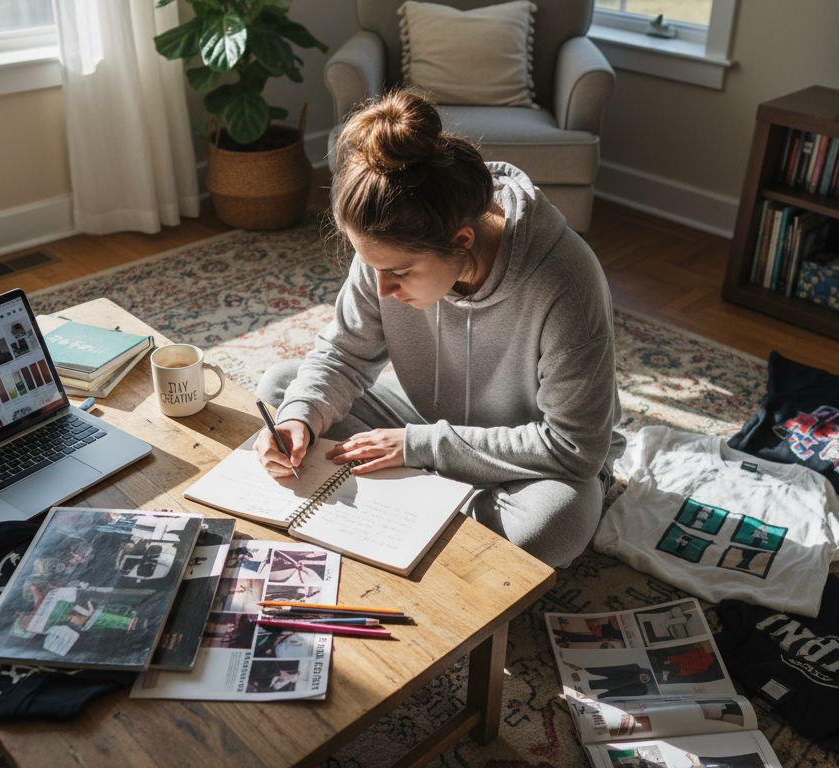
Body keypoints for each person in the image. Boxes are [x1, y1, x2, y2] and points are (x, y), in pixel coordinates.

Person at [253, 89, 624, 568]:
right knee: (283, 387)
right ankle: (436, 505)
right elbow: (343, 354)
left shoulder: (565, 280)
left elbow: (575, 447)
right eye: (372, 267)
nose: (383, 288)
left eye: (400, 273)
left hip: (533, 457)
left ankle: (411, 500)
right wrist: (297, 420)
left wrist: (417, 447)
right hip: (431, 421)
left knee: (550, 527)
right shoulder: (391, 244)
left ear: (462, 241)